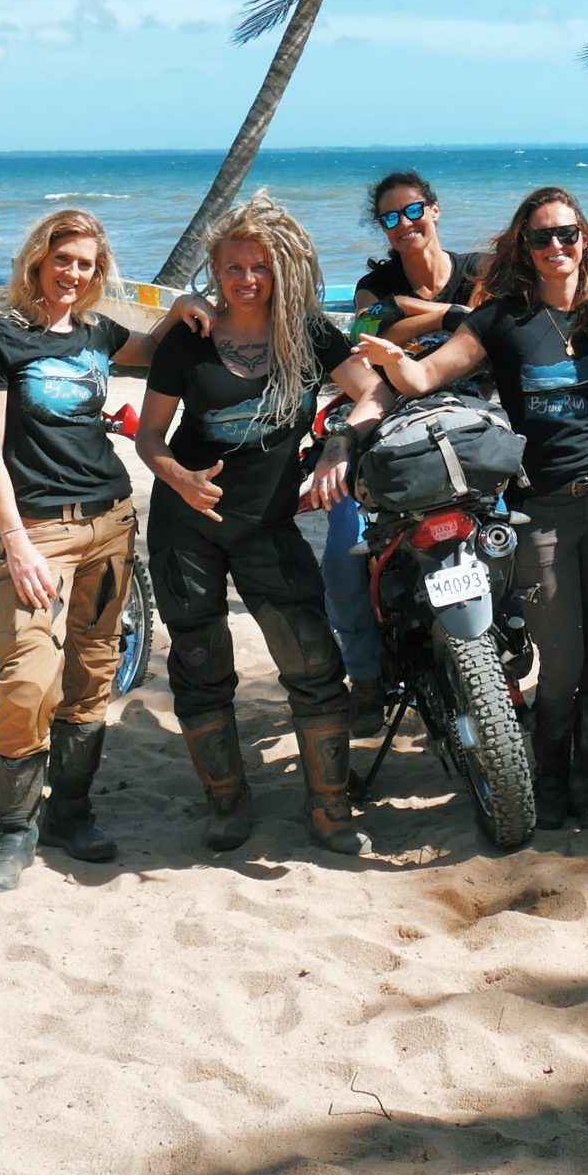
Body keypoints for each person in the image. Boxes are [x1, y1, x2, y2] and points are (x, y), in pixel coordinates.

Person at [360, 187, 588, 833]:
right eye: (543, 238)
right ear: (526, 248)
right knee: (560, 657)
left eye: (567, 234)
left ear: (584, 238)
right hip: (541, 509)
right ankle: (549, 773)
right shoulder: (502, 318)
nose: (557, 247)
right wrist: (390, 357)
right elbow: (428, 378)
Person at [139, 194, 389, 856]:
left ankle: (330, 809)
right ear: (215, 273)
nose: (246, 280)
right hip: (185, 526)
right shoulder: (189, 341)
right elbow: (149, 438)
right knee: (199, 662)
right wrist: (177, 476)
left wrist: (339, 445)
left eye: (259, 267)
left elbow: (372, 391)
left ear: (280, 269)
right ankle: (227, 800)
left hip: (267, 524)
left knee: (311, 659)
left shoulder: (307, 333)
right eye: (232, 268)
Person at [0, 208, 195, 895]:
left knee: (93, 677)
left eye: (86, 265)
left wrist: (186, 306)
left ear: (97, 274)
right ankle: (12, 832)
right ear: (38, 259)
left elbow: (154, 348)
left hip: (112, 523)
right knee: (27, 681)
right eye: (63, 259)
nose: (72, 274)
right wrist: (16, 543)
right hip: (39, 534)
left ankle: (70, 811)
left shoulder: (97, 333)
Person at [327, 170, 483, 734]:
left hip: (473, 415)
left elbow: (485, 320)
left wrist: (406, 323)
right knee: (343, 561)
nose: (403, 224)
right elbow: (366, 333)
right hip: (389, 418)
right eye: (389, 218)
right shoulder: (376, 281)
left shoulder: (479, 270)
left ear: (434, 210)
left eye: (412, 210)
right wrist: (446, 315)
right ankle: (367, 679)